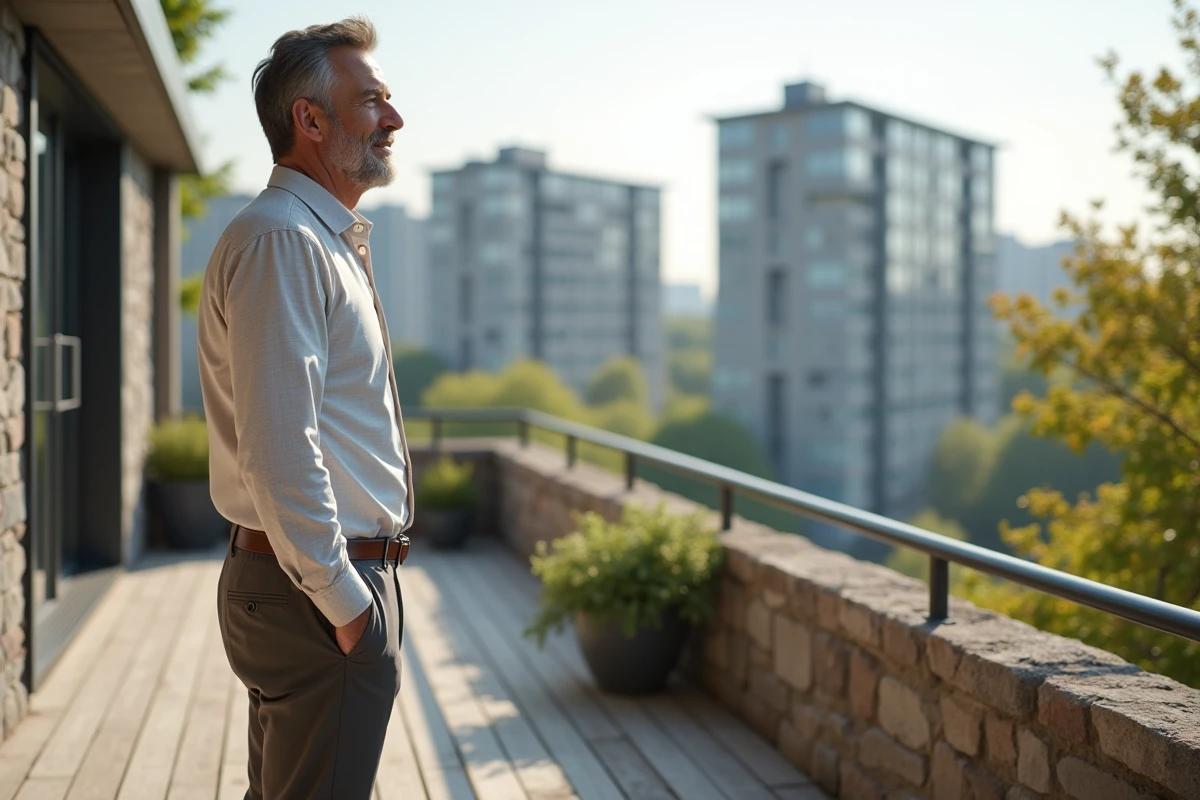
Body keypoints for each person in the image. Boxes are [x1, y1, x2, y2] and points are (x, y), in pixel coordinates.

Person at [196, 17, 414, 799]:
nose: (393, 118)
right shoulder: (285, 242)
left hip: (312, 589)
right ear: (310, 120)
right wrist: (348, 607)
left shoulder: (311, 238)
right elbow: (281, 446)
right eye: (372, 101)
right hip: (319, 594)